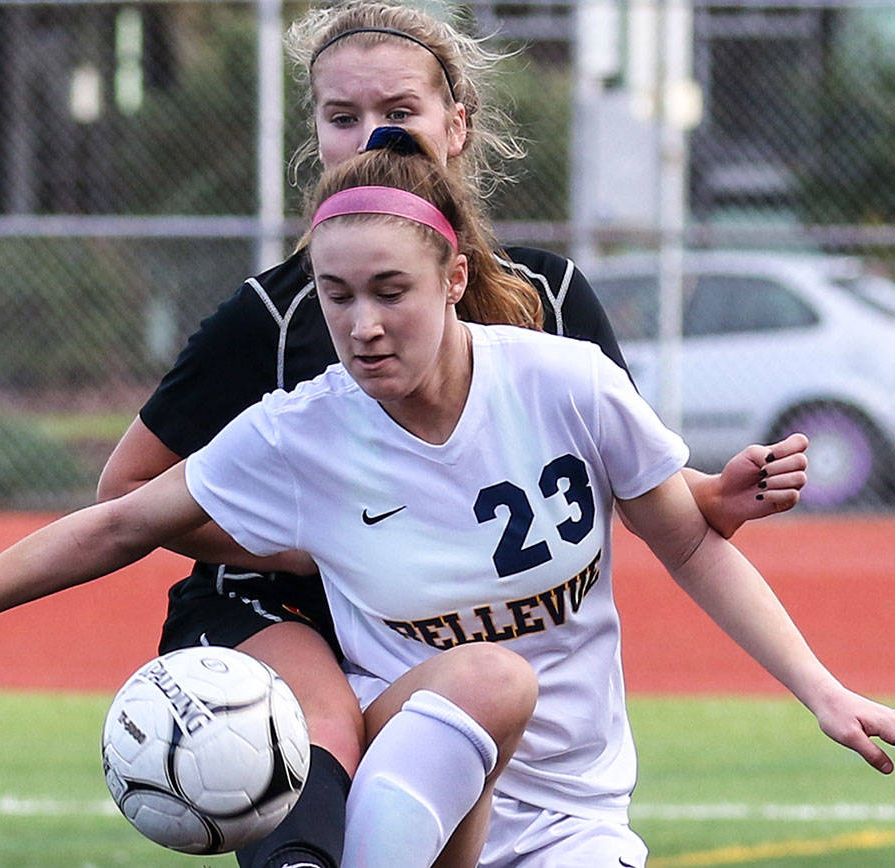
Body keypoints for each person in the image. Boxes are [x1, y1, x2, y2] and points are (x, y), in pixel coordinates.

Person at [0, 134, 895, 868]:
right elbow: (118, 519)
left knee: (501, 676)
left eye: (391, 291)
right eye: (337, 296)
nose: (363, 323)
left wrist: (825, 692)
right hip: (408, 798)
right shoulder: (302, 430)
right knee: (487, 673)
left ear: (454, 280)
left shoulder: (564, 383)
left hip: (575, 812)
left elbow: (695, 545)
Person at [95, 4, 808, 865]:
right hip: (281, 607)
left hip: (446, 623)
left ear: (457, 124)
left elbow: (625, 484)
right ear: (313, 135)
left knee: (479, 715)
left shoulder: (548, 306)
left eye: (399, 111)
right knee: (323, 729)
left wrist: (716, 498)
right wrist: (313, 550)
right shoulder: (274, 316)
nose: (372, 136)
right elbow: (126, 496)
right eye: (342, 117)